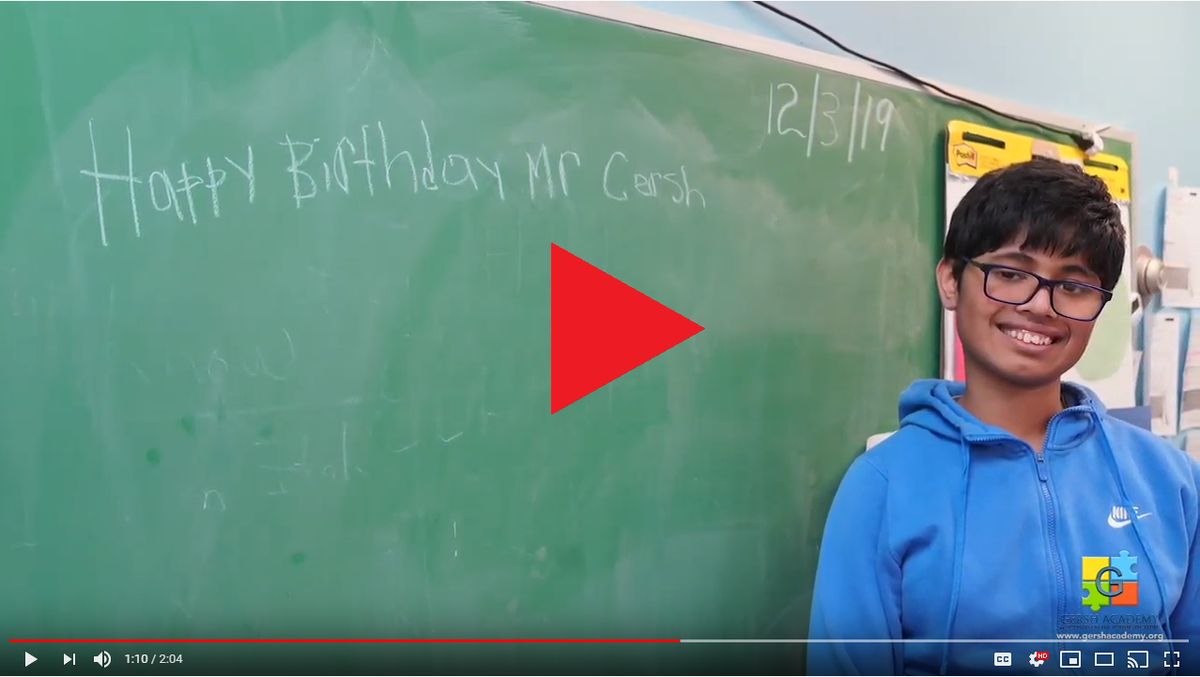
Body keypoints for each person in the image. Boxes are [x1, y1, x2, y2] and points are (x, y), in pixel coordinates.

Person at [807, 158, 1199, 675]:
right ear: (951, 280)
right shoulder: (884, 486)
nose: (1040, 305)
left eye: (1074, 285)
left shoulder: (1169, 478)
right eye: (1011, 274)